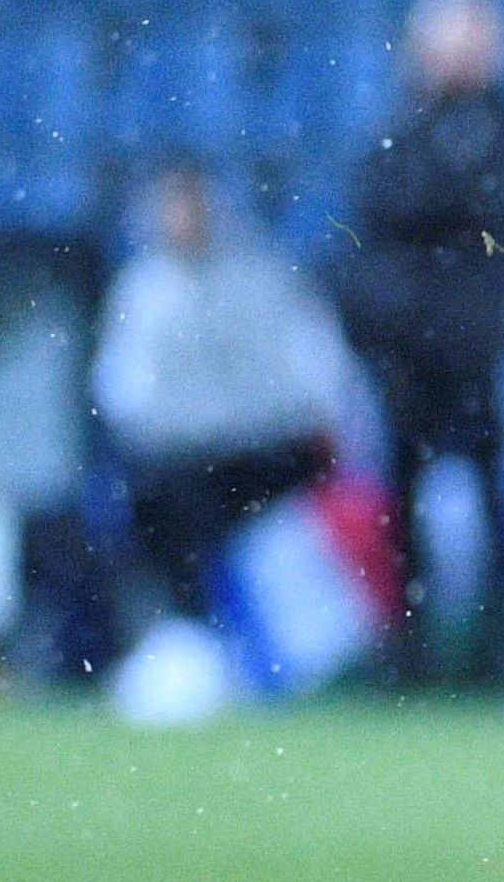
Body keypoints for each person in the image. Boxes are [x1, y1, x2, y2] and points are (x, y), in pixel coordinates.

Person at [337, 0, 504, 693]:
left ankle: (494, 653)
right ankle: (411, 651)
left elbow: (450, 201)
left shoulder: (497, 127)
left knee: (490, 496)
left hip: (471, 347)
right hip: (409, 351)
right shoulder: (408, 127)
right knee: (406, 501)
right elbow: (385, 202)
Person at [92, 162, 352, 625]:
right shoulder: (142, 289)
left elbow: (310, 364)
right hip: (179, 457)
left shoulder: (260, 276)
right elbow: (121, 390)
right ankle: (195, 630)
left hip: (259, 451)